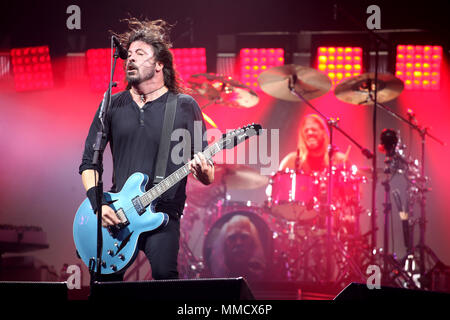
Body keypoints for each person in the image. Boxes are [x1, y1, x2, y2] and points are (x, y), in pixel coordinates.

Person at [79, 18, 214, 281]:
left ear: (159, 64)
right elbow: (88, 163)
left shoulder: (184, 105)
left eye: (140, 54)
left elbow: (207, 172)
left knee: (165, 277)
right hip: (117, 214)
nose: (130, 59)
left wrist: (204, 171)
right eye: (128, 54)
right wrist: (99, 206)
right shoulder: (112, 103)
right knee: (103, 285)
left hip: (163, 214)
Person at [279, 113, 349, 173]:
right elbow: (276, 186)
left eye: (314, 130)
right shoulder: (291, 161)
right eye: (306, 130)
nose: (310, 133)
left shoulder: (340, 160)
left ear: (323, 132)